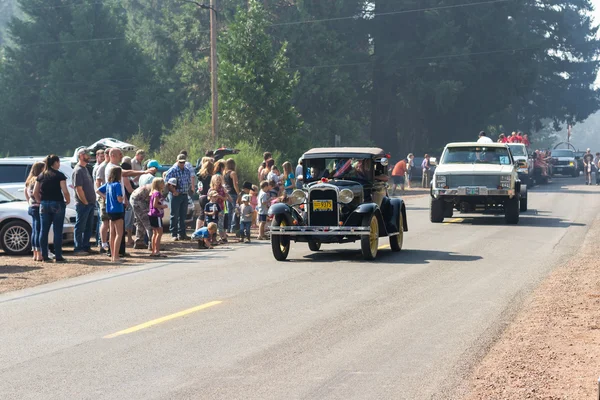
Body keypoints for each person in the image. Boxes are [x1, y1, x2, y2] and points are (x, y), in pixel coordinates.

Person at [34, 155, 70, 263]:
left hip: (44, 204)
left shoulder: (41, 175)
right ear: (54, 163)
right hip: (57, 203)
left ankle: (44, 255)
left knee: (43, 231)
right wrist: (67, 200)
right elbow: (65, 190)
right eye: (58, 162)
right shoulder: (59, 175)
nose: (59, 164)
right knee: (57, 230)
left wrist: (39, 201)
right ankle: (58, 255)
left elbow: (35, 191)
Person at [96, 167, 125, 263]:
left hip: (109, 210)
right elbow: (119, 199)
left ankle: (113, 255)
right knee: (119, 234)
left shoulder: (108, 184)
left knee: (112, 233)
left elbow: (98, 190)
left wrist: (105, 197)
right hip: (117, 209)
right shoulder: (117, 185)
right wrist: (123, 198)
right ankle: (116, 256)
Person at [72, 148, 96, 256]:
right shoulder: (78, 170)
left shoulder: (85, 169)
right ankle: (78, 248)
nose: (89, 157)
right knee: (80, 226)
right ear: (81, 156)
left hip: (90, 203)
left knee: (88, 227)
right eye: (87, 155)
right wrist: (85, 202)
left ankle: (86, 246)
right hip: (83, 204)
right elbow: (78, 188)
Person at [165, 154, 193, 240]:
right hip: (176, 196)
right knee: (174, 215)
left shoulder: (187, 170)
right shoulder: (172, 171)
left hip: (184, 195)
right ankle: (174, 234)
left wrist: (189, 190)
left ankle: (182, 234)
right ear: (177, 161)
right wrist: (174, 191)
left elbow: (188, 182)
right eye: (180, 162)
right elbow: (166, 183)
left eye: (183, 162)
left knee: (183, 215)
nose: (182, 163)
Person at [25, 162, 45, 262]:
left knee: (34, 230)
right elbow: (38, 193)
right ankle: (39, 253)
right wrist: (40, 201)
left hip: (31, 206)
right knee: (38, 230)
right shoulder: (38, 180)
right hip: (37, 207)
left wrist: (29, 201)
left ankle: (35, 253)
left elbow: (26, 193)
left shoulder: (29, 181)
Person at [148, 178, 168, 257]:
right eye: (162, 183)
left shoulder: (153, 193)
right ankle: (157, 251)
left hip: (152, 214)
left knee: (155, 233)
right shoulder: (157, 194)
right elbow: (155, 205)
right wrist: (163, 206)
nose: (164, 184)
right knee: (159, 233)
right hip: (156, 215)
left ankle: (154, 251)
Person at [131, 182, 153, 250]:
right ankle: (152, 244)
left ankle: (139, 242)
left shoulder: (150, 186)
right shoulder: (155, 189)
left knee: (140, 222)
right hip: (139, 201)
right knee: (148, 223)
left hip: (134, 199)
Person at [209, 175, 230, 243]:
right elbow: (208, 198)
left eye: (219, 180)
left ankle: (223, 237)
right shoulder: (211, 189)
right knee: (213, 224)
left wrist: (219, 197)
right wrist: (212, 196)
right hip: (212, 209)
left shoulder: (222, 189)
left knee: (220, 224)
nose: (218, 181)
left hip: (220, 209)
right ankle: (213, 238)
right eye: (216, 180)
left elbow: (225, 198)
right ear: (213, 181)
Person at [196, 160, 214, 230]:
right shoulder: (209, 177)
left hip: (201, 196)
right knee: (207, 213)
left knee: (201, 213)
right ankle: (206, 229)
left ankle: (197, 229)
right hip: (207, 196)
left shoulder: (200, 176)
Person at [223, 158, 240, 234]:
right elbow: (235, 184)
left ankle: (228, 228)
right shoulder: (233, 173)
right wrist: (238, 193)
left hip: (227, 193)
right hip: (233, 193)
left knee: (229, 211)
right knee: (235, 210)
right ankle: (233, 227)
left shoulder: (224, 173)